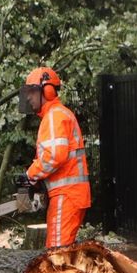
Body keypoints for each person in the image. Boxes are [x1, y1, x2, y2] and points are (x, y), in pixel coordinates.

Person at [17, 67, 90, 248]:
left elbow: (54, 156)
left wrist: (30, 176)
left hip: (67, 195)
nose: (28, 97)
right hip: (68, 195)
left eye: (32, 92)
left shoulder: (54, 116)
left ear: (47, 91)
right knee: (58, 251)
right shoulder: (56, 115)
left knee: (57, 255)